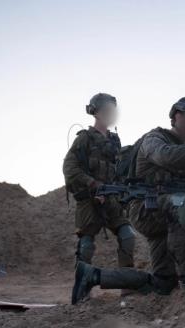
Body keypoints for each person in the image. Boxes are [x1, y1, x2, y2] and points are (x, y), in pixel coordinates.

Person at [71, 96, 185, 304]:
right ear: (177, 117)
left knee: (163, 284)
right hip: (146, 210)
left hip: (165, 216)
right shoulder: (155, 139)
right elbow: (166, 157)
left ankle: (92, 275)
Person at [63, 93, 136, 295]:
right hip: (89, 200)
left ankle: (127, 288)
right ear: (95, 111)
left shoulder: (114, 140)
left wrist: (123, 190)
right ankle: (81, 290)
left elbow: (119, 169)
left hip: (112, 199)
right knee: (86, 245)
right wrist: (93, 184)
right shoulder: (84, 139)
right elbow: (69, 168)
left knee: (128, 236)